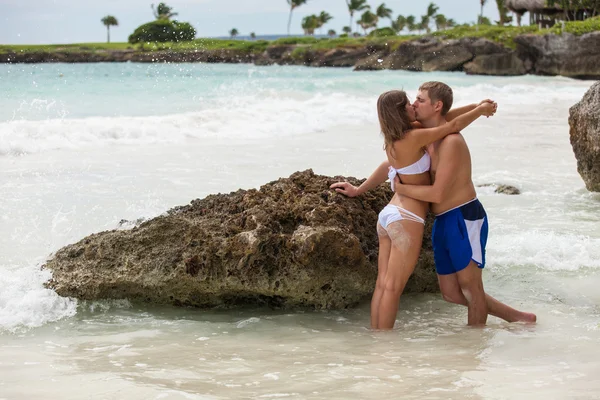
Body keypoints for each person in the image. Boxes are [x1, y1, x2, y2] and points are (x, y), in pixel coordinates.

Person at [330, 87, 497, 330]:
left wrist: (358, 190)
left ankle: (376, 339)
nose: (413, 106)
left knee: (382, 285)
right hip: (406, 217)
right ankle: (384, 344)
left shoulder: (394, 140)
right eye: (409, 103)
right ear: (401, 111)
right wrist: (480, 111)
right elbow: (451, 126)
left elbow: (445, 119)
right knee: (394, 288)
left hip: (387, 216)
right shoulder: (415, 137)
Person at [393, 81, 537, 325]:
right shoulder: (425, 135)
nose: (414, 104)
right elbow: (451, 116)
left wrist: (400, 188)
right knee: (451, 293)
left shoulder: (452, 142)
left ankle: (474, 350)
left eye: (420, 100)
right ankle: (518, 318)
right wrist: (477, 106)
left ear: (436, 106)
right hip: (442, 220)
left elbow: (438, 193)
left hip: (464, 217)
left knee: (472, 289)